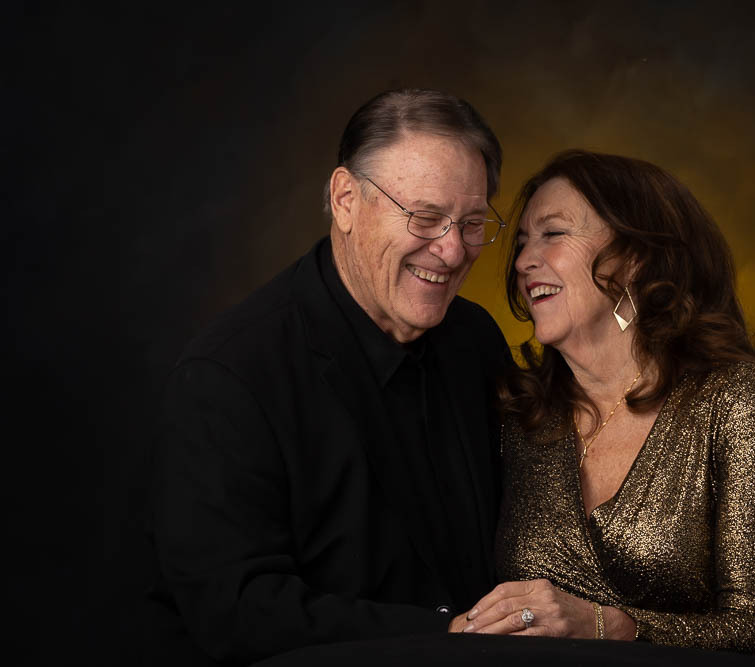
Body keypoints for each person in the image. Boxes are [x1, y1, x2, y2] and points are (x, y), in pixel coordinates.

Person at [145, 89, 512, 665]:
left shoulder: (474, 340)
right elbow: (237, 610)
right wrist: (448, 634)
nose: (451, 251)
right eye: (425, 217)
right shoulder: (229, 376)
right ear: (345, 200)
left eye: (470, 224)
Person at [455, 150, 755, 661]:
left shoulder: (736, 397)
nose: (524, 261)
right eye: (523, 241)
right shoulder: (521, 416)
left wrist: (608, 626)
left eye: (553, 233)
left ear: (634, 256)